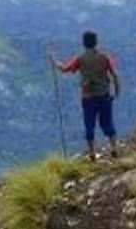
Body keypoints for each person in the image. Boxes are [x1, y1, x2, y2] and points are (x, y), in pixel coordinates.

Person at [51, 31, 122, 160]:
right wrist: (117, 91)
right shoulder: (104, 57)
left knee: (89, 124)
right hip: (104, 95)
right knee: (108, 123)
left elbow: (65, 69)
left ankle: (92, 153)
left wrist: (54, 61)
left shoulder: (80, 59)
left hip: (88, 97)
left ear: (84, 43)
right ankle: (114, 148)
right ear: (96, 42)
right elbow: (115, 75)